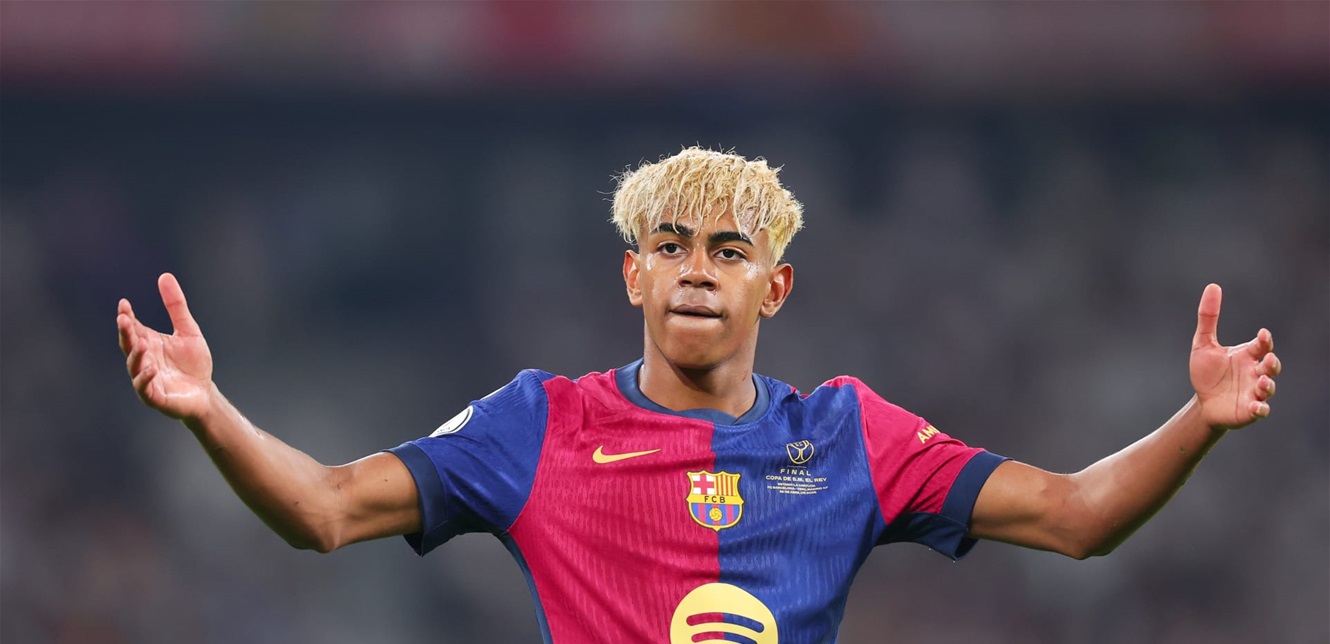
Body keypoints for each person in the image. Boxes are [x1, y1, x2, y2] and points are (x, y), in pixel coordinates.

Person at [116, 147, 1281, 643]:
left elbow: (1077, 516)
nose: (694, 270)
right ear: (633, 274)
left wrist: (1199, 420)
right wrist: (212, 411)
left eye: (727, 251)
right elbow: (323, 508)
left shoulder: (847, 433)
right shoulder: (541, 422)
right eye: (669, 245)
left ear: (774, 285)